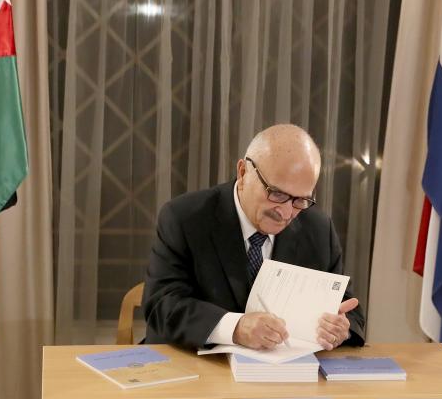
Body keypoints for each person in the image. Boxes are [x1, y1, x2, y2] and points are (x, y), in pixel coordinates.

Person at [142, 124, 365, 350]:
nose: (286, 213)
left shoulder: (318, 229)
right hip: (193, 364)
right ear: (243, 173)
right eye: (277, 193)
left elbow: (349, 309)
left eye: (300, 200)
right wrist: (235, 327)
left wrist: (341, 329)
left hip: (284, 368)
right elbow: (161, 304)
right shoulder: (184, 218)